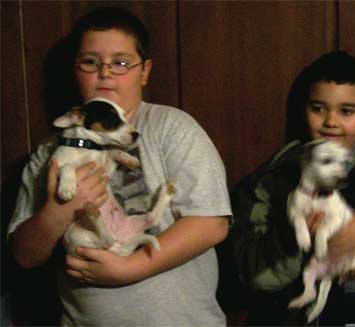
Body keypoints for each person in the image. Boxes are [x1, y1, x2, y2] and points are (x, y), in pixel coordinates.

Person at [8, 7, 231, 326]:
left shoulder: (172, 128)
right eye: (90, 62)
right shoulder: (49, 153)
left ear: (145, 71)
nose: (106, 73)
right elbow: (25, 255)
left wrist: (131, 267)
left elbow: (212, 223)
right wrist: (59, 211)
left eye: (121, 62)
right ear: (75, 70)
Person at [230, 51, 355, 326]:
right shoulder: (272, 181)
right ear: (304, 109)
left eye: (346, 111)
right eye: (318, 108)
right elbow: (252, 275)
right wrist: (291, 237)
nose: (331, 121)